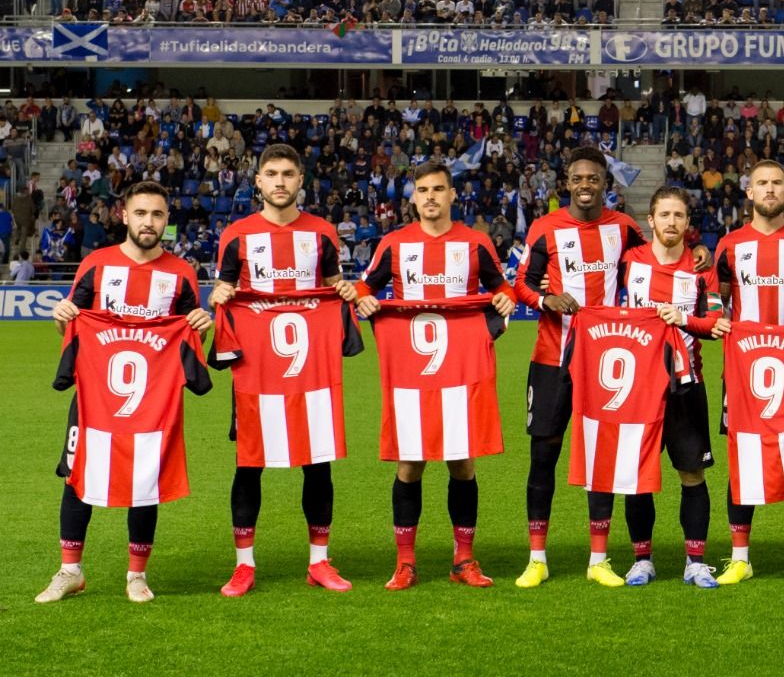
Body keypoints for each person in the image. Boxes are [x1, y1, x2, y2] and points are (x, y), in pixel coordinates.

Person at [513, 148, 707, 588]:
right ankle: (536, 557)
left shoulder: (623, 230)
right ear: (567, 181)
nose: (586, 184)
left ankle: (598, 558)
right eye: (578, 177)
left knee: (600, 452)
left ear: (606, 185)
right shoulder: (545, 230)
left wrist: (701, 252)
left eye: (594, 178)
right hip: (551, 358)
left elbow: (663, 255)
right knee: (543, 454)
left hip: (606, 363)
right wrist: (545, 300)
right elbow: (521, 282)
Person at [36, 182, 214, 604]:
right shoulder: (96, 265)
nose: (148, 222)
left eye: (156, 215)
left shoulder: (181, 273)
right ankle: (70, 570)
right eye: (141, 214)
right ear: (124, 216)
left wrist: (201, 331)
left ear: (166, 221)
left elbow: (185, 343)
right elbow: (73, 327)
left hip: (153, 403)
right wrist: (62, 317)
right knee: (77, 477)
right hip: (96, 398)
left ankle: (137, 575)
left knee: (144, 482)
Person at [354, 162, 518, 590]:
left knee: (463, 464)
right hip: (412, 373)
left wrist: (499, 309)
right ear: (412, 197)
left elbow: (502, 287)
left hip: (461, 372)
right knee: (410, 465)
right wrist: (366, 302)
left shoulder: (475, 243)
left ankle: (464, 558)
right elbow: (365, 288)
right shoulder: (393, 245)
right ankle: (405, 562)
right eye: (422, 189)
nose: (430, 196)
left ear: (452, 195)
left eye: (438, 189)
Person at [209, 145, 359, 597]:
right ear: (257, 181)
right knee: (249, 464)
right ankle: (243, 566)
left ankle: (319, 561)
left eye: (288, 174)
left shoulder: (322, 234)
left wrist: (344, 289)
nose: (279, 181)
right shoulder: (237, 235)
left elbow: (332, 284)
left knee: (317, 464)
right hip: (256, 372)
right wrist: (218, 293)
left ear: (301, 181)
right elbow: (226, 284)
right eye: (271, 173)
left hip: (310, 371)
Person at [593, 187, 722, 589]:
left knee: (692, 475)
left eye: (678, 216)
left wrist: (682, 318)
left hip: (686, 387)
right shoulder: (629, 262)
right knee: (636, 477)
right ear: (650, 220)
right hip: (636, 390)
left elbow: (715, 323)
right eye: (663, 215)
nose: (671, 222)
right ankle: (642, 559)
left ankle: (696, 561)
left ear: (688, 223)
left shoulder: (702, 268)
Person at [708, 160, 784, 586]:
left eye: (777, 183)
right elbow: (712, 298)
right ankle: (740, 556)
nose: (770, 190)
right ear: (749, 192)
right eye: (762, 184)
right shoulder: (729, 246)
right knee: (743, 456)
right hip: (744, 369)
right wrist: (715, 319)